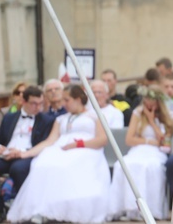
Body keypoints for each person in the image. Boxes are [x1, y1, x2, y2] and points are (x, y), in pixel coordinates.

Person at [8, 84, 109, 223]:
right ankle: (41, 209)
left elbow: (102, 139)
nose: (64, 104)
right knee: (41, 164)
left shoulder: (95, 116)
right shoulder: (61, 119)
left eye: (67, 100)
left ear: (78, 99)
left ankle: (70, 209)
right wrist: (25, 154)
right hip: (60, 148)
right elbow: (50, 141)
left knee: (66, 166)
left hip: (86, 149)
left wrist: (78, 144)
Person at [108, 85, 173, 220]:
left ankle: (150, 209)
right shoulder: (138, 113)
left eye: (151, 99)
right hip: (139, 149)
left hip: (158, 152)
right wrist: (148, 141)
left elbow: (165, 142)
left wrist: (151, 121)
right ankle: (129, 208)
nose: (148, 103)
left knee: (149, 167)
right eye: (146, 99)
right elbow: (130, 139)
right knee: (124, 164)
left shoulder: (170, 116)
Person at [0, 86, 54, 208]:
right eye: (34, 103)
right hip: (6, 154)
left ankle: (24, 206)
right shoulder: (9, 117)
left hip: (28, 155)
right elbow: (1, 138)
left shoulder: (46, 120)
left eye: (40, 103)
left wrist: (21, 152)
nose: (38, 107)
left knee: (18, 169)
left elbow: (43, 143)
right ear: (23, 101)